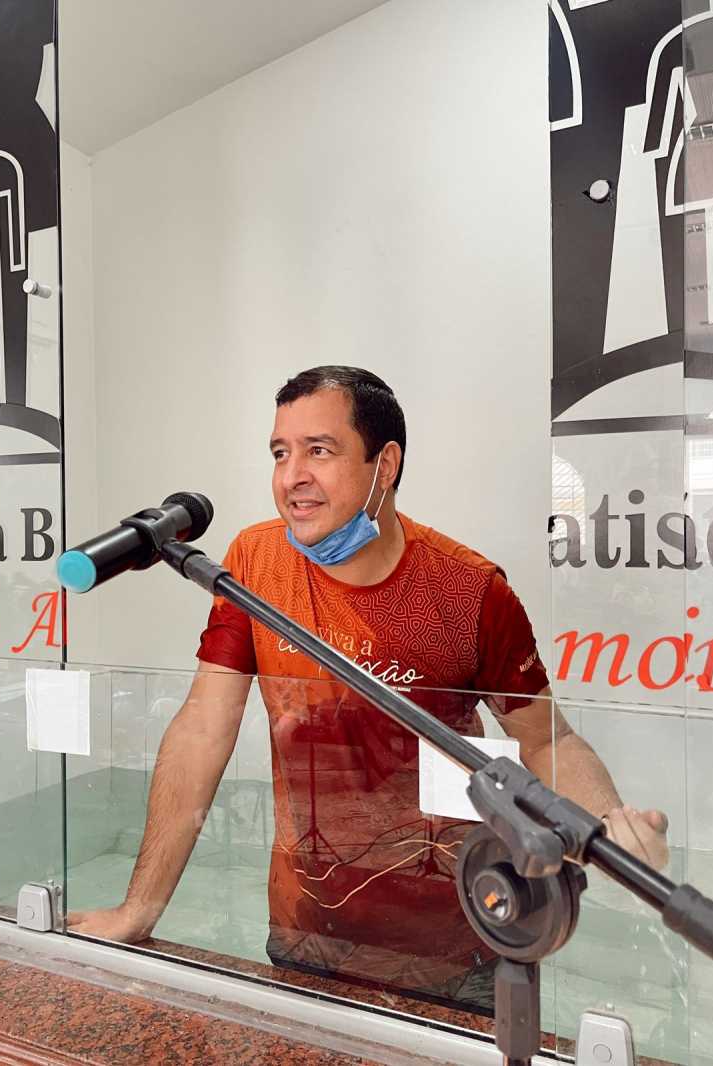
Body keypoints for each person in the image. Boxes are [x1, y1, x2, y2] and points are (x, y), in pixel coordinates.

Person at [68, 366, 668, 1010]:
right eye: (280, 453)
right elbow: (201, 730)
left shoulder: (470, 590)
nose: (291, 476)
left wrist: (612, 828)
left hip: (461, 936)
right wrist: (139, 908)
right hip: (305, 932)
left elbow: (547, 741)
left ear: (385, 464)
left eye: (319, 451)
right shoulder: (254, 564)